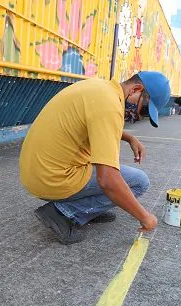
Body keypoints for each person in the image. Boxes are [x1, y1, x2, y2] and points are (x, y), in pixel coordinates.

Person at [19, 71, 171, 244]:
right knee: (139, 181)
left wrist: (129, 137)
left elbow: (94, 121)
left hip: (35, 173)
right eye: (143, 109)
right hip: (52, 179)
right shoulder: (110, 106)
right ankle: (64, 212)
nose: (139, 116)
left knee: (112, 174)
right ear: (136, 89)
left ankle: (89, 209)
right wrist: (145, 217)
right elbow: (108, 180)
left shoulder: (100, 89)